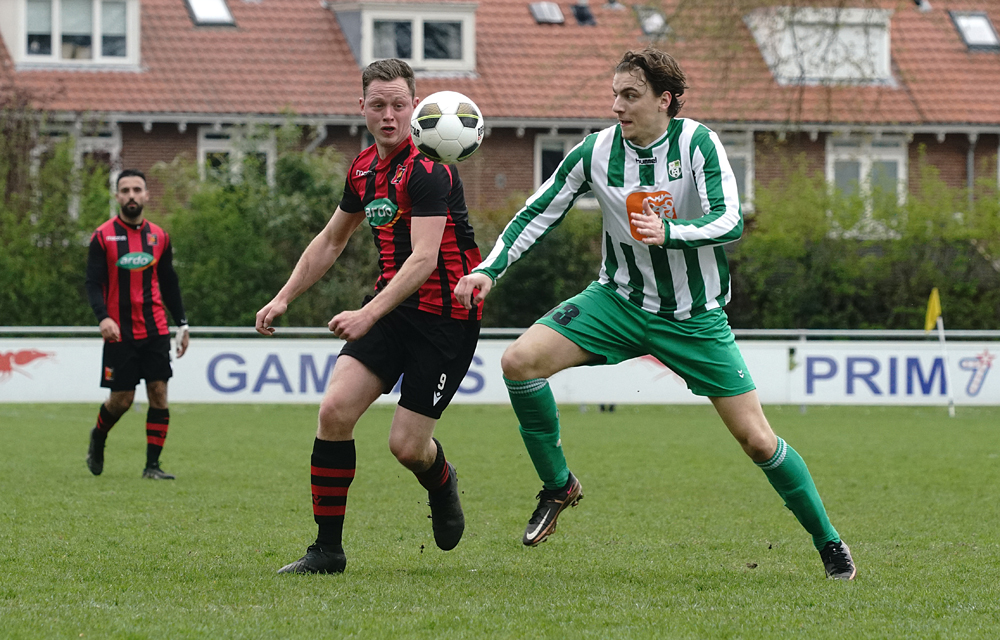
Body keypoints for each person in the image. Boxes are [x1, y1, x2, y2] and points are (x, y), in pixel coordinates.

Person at [455, 47, 856, 580]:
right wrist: (489, 269)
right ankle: (559, 485)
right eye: (615, 94)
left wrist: (673, 233)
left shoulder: (697, 142)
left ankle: (829, 544)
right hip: (616, 300)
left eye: (631, 95)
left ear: (665, 100)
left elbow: (730, 219)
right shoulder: (595, 151)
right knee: (520, 362)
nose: (618, 106)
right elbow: (538, 211)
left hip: (694, 317)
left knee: (758, 440)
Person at [255, 58, 483, 575]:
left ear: (416, 109)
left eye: (399, 105)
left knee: (406, 447)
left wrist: (365, 313)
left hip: (447, 318)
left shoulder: (430, 168)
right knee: (334, 411)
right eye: (378, 105)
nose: (388, 115)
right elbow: (332, 239)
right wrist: (284, 296)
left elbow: (424, 259)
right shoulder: (362, 169)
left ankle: (441, 480)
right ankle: (327, 551)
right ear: (361, 107)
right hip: (393, 311)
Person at [85, 168, 190, 480]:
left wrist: (182, 324)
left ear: (146, 195)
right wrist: (103, 317)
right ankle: (98, 437)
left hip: (155, 329)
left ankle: (152, 466)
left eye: (137, 190)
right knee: (122, 400)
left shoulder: (160, 236)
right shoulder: (102, 236)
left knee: (159, 393)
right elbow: (92, 283)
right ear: (118, 196)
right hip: (120, 332)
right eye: (125, 190)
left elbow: (169, 282)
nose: (131, 195)